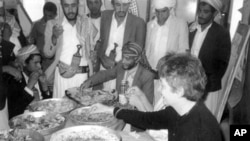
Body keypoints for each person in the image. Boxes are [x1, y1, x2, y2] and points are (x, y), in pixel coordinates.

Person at [92, 53, 223, 141]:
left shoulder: (199, 130)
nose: (160, 90)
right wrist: (110, 110)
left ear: (179, 91)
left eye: (163, 86)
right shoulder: (179, 109)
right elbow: (148, 119)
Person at [43, 0, 94, 98]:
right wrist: (54, 37)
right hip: (62, 77)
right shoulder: (53, 24)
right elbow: (47, 53)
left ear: (78, 5)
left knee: (82, 111)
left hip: (82, 78)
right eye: (66, 6)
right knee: (62, 110)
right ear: (61, 6)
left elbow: (92, 48)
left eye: (73, 5)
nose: (70, 10)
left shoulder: (86, 22)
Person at [189, 0, 231, 115]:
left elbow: (222, 64)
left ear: (214, 14)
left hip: (209, 88)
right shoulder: (191, 28)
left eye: (205, 12)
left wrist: (206, 85)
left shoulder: (221, 33)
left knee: (206, 120)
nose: (201, 14)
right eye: (200, 11)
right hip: (188, 83)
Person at [80, 42, 155, 104]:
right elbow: (106, 74)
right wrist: (90, 81)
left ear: (136, 59)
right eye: (123, 57)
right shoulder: (121, 66)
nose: (123, 61)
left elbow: (147, 105)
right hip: (118, 108)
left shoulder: (147, 76)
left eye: (127, 59)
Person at [96, 0, 146, 91]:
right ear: (112, 4)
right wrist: (102, 57)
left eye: (125, 5)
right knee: (102, 99)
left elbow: (138, 53)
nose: (122, 9)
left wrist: (116, 65)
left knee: (120, 101)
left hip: (124, 72)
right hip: (103, 69)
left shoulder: (138, 23)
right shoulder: (105, 16)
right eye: (118, 5)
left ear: (130, 4)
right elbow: (101, 42)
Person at [3, 45, 51, 119]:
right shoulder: (14, 80)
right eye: (36, 63)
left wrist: (45, 87)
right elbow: (14, 112)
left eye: (40, 62)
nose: (40, 66)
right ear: (24, 63)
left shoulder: (39, 75)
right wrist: (29, 87)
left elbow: (49, 105)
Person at [145, 0, 189, 71]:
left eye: (163, 11)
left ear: (170, 9)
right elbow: (147, 50)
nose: (160, 15)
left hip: (170, 70)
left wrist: (167, 60)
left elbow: (183, 52)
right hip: (150, 69)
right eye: (157, 11)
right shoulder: (150, 25)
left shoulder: (180, 24)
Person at [29, 2, 57, 71]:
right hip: (41, 60)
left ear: (55, 15)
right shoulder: (37, 25)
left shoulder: (58, 26)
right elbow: (31, 41)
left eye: (50, 16)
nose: (47, 18)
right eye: (45, 15)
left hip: (54, 60)